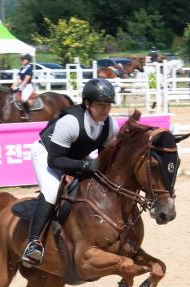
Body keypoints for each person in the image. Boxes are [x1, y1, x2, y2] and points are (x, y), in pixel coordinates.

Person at [22, 78, 119, 266]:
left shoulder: (110, 125)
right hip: (47, 154)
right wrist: (84, 166)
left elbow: (106, 157)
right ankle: (33, 244)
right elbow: (55, 160)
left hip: (75, 157)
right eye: (100, 105)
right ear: (88, 103)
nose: (105, 110)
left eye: (108, 105)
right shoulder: (71, 122)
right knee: (51, 190)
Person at [11, 53, 35, 120]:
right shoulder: (22, 68)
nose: (22, 61)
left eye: (23, 59)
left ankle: (28, 114)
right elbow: (18, 79)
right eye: (21, 59)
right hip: (22, 85)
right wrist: (12, 87)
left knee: (24, 99)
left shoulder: (30, 69)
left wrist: (20, 88)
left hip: (28, 86)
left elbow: (26, 80)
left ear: (27, 60)